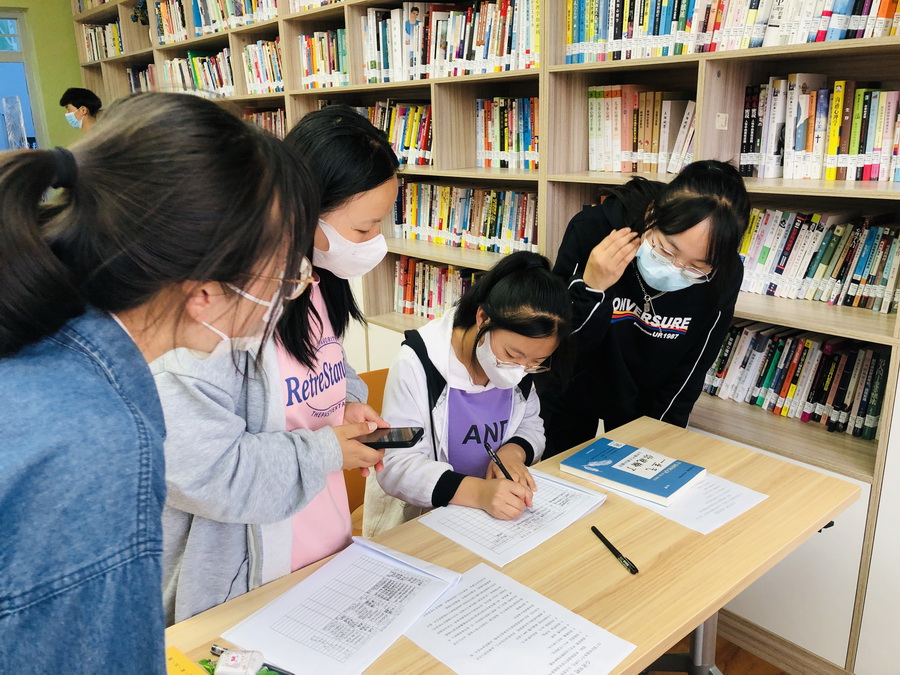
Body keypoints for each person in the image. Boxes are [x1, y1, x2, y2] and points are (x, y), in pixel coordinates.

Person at [0, 92, 313, 671]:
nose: (292, 285)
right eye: (284, 268)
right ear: (205, 292)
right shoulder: (103, 438)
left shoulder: (45, 347)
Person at [153, 104, 396, 625]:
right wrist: (325, 450)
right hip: (245, 575)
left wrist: (348, 403)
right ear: (309, 209)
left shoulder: (316, 280)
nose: (376, 242)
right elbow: (204, 470)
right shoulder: (222, 315)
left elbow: (327, 361)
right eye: (365, 227)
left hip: (320, 545)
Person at [539, 160, 751, 457]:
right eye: (667, 250)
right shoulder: (593, 230)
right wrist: (591, 288)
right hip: (572, 384)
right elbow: (555, 344)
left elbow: (692, 368)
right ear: (652, 214)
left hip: (645, 395)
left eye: (696, 267)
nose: (676, 268)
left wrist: (658, 440)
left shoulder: (723, 275)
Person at [365, 251, 574, 535]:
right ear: (483, 318)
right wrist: (479, 493)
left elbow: (532, 425)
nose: (519, 370)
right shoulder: (419, 362)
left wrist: (514, 452)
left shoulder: (522, 366)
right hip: (424, 517)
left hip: (492, 518)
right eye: (512, 355)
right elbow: (396, 465)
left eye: (536, 362)